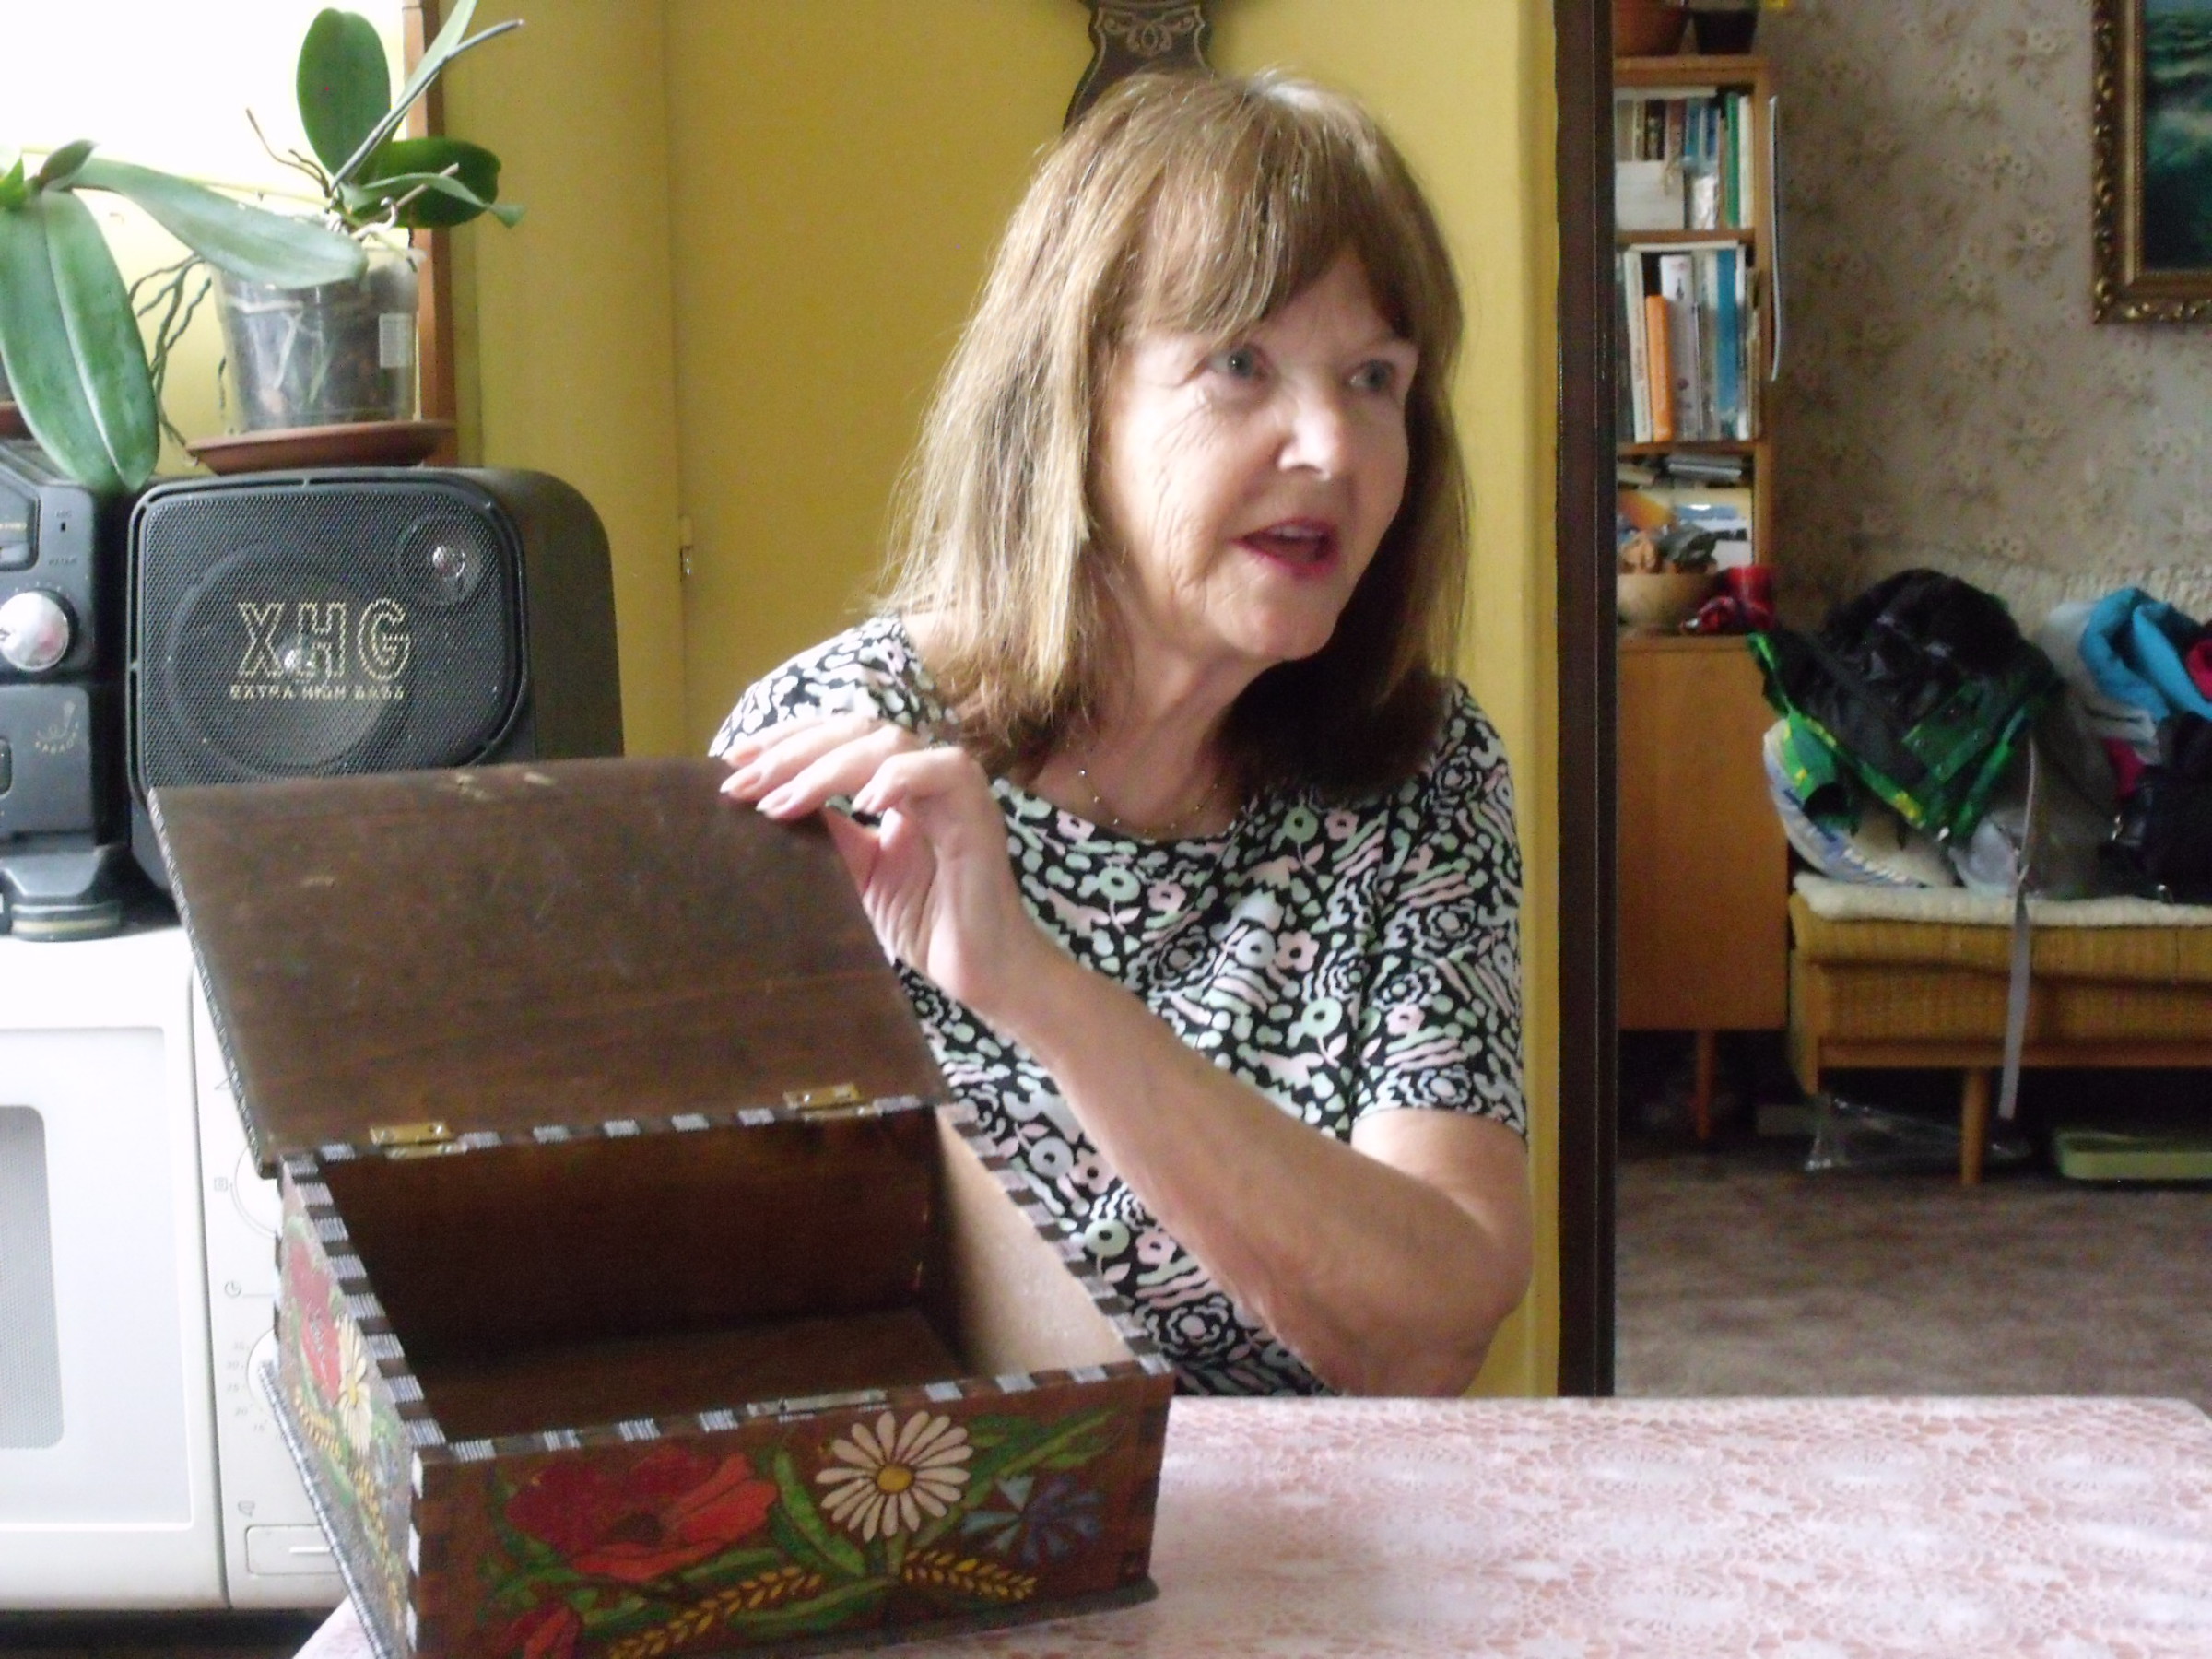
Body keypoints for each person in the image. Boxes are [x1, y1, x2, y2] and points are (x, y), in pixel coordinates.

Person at [715, 71, 1531, 1396]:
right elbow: (749, 1302)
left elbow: (1435, 1328)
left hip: (1321, 1516)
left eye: (1374, 377)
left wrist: (1036, 988)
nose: (1332, 446)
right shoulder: (840, 750)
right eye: (1240, 363)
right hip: (946, 1507)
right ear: (1073, 401)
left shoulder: (1421, 771)